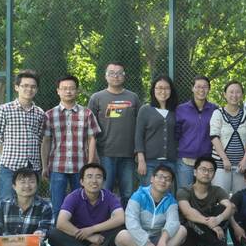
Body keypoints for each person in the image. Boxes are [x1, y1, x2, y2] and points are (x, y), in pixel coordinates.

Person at [41, 75, 100, 216]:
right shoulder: (49, 115)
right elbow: (46, 141)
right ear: (58, 91)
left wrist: (90, 164)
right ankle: (57, 231)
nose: (68, 91)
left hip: (80, 166)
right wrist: (44, 166)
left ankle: (80, 230)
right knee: (57, 207)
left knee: (81, 205)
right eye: (64, 88)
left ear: (77, 91)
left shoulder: (87, 113)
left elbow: (92, 139)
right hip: (57, 166)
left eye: (72, 88)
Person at [48, 162, 124, 246]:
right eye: (89, 176)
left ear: (103, 181)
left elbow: (120, 218)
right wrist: (88, 236)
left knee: (121, 226)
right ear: (82, 181)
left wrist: (91, 230)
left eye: (98, 177)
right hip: (76, 239)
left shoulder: (109, 196)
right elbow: (61, 222)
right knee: (53, 233)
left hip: (99, 240)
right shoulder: (73, 197)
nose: (94, 181)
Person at [88, 62, 141, 206]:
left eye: (119, 73)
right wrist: (92, 154)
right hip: (105, 154)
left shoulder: (133, 97)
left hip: (128, 155)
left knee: (128, 194)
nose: (115, 76)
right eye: (111, 73)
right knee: (104, 192)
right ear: (106, 76)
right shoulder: (96, 98)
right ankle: (104, 219)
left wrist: (138, 151)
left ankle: (126, 219)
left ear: (124, 76)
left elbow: (140, 127)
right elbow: (90, 129)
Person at [115, 164, 187, 246]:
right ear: (152, 179)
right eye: (160, 177)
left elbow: (173, 222)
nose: (163, 181)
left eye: (167, 179)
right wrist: (145, 243)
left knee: (182, 230)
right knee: (121, 236)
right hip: (137, 243)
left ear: (170, 184)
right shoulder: (138, 196)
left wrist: (163, 240)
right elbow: (131, 222)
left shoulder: (171, 201)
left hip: (159, 241)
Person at [0, 70, 46, 200]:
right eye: (25, 86)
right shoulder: (4, 109)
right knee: (6, 202)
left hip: (32, 167)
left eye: (33, 86)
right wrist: (4, 159)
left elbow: (40, 139)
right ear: (17, 87)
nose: (29, 89)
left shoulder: (40, 113)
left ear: (37, 89)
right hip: (10, 167)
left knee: (31, 203)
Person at [176, 156, 234, 246]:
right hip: (191, 240)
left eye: (210, 170)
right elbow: (187, 212)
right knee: (192, 217)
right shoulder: (184, 191)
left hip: (212, 235)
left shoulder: (217, 190)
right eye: (203, 169)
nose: (206, 173)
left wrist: (218, 219)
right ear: (195, 172)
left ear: (214, 175)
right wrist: (211, 224)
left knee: (222, 208)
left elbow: (230, 207)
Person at [210, 81, 246, 193]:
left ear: (242, 95)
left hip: (241, 166)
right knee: (221, 197)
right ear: (225, 94)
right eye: (231, 92)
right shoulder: (218, 113)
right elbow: (214, 137)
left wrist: (245, 160)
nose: (234, 95)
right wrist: (224, 159)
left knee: (239, 198)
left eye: (238, 92)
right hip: (221, 164)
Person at [175, 75, 219, 189]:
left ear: (209, 89)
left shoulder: (215, 110)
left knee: (204, 193)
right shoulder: (181, 109)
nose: (201, 90)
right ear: (192, 88)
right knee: (184, 193)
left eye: (205, 87)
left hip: (206, 161)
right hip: (185, 160)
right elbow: (176, 134)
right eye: (198, 86)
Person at [134, 75, 179, 186]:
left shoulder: (176, 111)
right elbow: (138, 136)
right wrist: (141, 160)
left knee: (168, 194)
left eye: (166, 88)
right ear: (153, 90)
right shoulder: (145, 110)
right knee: (149, 193)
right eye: (159, 88)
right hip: (149, 162)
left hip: (171, 162)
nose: (163, 91)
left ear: (171, 90)